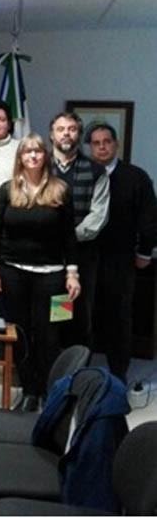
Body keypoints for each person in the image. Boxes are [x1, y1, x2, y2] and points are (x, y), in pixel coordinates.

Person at [0, 133, 80, 412]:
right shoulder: (7, 190)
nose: (33, 156)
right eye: (27, 152)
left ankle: (51, 392)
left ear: (45, 156)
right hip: (12, 273)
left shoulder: (61, 190)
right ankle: (29, 390)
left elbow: (69, 237)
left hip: (54, 277)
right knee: (20, 333)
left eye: (38, 151)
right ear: (20, 158)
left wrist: (72, 274)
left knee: (51, 335)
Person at [87, 122, 157, 382]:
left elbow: (149, 218)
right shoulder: (83, 173)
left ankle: (118, 375)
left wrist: (145, 252)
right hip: (85, 258)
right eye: (96, 143)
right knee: (80, 316)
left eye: (107, 142)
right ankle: (80, 374)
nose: (102, 147)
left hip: (120, 258)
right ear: (90, 147)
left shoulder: (135, 177)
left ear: (116, 144)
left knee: (118, 317)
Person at [49, 111, 109, 348]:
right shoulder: (39, 166)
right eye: (61, 129)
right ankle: (52, 366)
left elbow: (97, 218)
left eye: (72, 129)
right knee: (52, 317)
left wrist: (67, 239)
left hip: (82, 255)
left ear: (79, 134)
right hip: (47, 256)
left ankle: (77, 368)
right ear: (52, 135)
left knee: (79, 317)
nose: (66, 134)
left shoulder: (96, 170)